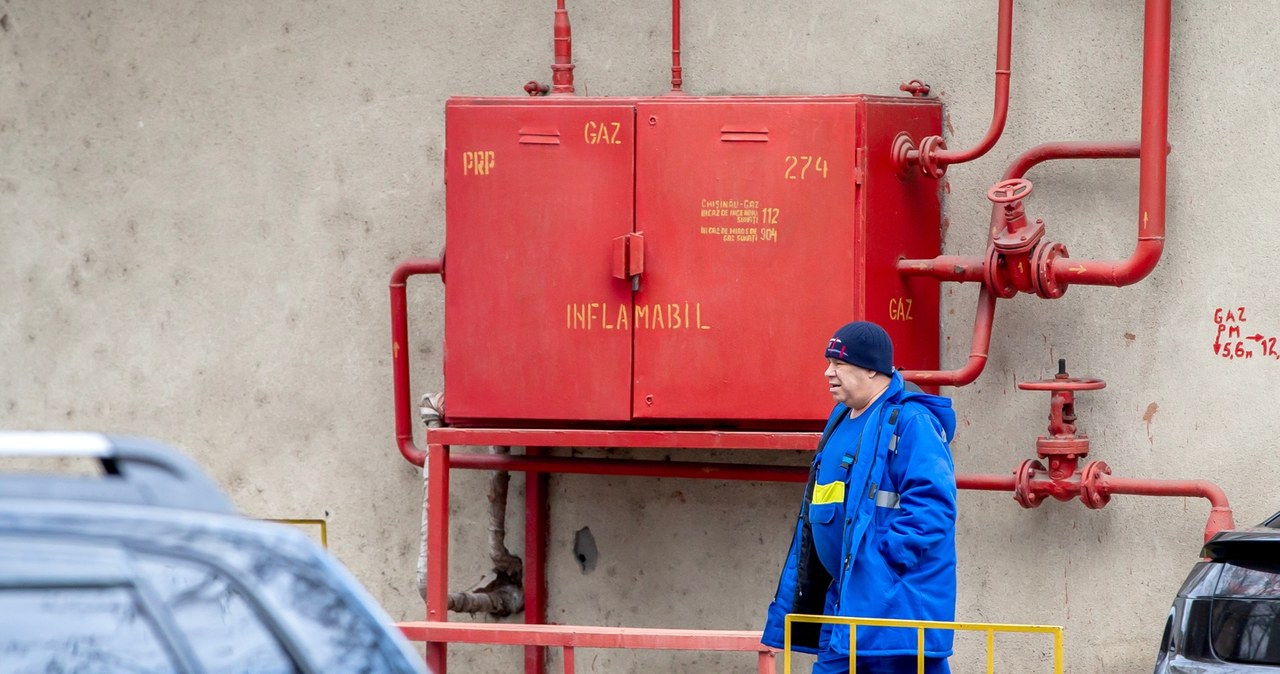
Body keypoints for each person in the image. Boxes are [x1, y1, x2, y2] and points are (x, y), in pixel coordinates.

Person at [762, 321, 958, 674]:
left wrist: (882, 565)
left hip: (891, 606)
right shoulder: (842, 418)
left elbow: (934, 506)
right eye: (828, 362)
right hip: (847, 600)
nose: (828, 372)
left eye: (839, 365)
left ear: (871, 369)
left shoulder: (911, 422)